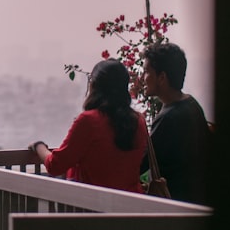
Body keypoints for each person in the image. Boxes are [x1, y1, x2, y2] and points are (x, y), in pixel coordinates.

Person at [29, 59, 147, 193]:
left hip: (94, 207)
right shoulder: (139, 121)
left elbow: (55, 165)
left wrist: (39, 146)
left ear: (95, 86)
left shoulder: (89, 121)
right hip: (132, 206)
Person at [140, 42, 210, 204]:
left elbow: (140, 162)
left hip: (176, 207)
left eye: (146, 72)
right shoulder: (192, 105)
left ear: (162, 77)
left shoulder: (169, 118)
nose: (143, 78)